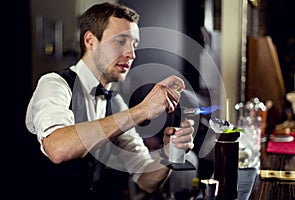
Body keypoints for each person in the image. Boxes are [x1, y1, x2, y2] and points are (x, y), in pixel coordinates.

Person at [25, 2, 194, 199]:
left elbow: (146, 179)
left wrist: (170, 153)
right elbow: (57, 149)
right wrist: (142, 110)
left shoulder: (115, 103)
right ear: (90, 41)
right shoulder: (54, 84)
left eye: (134, 45)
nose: (131, 54)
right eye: (120, 41)